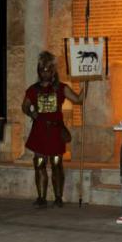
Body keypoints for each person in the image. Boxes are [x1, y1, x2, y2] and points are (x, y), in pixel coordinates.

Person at [21, 51, 84, 208]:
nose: (45, 73)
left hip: (55, 130)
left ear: (53, 71)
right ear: (39, 71)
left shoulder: (61, 88)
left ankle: (58, 197)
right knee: (39, 163)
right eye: (42, 70)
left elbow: (78, 100)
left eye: (48, 70)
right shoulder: (33, 89)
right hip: (40, 131)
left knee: (56, 163)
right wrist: (31, 113)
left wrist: (86, 83)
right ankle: (41, 197)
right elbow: (25, 106)